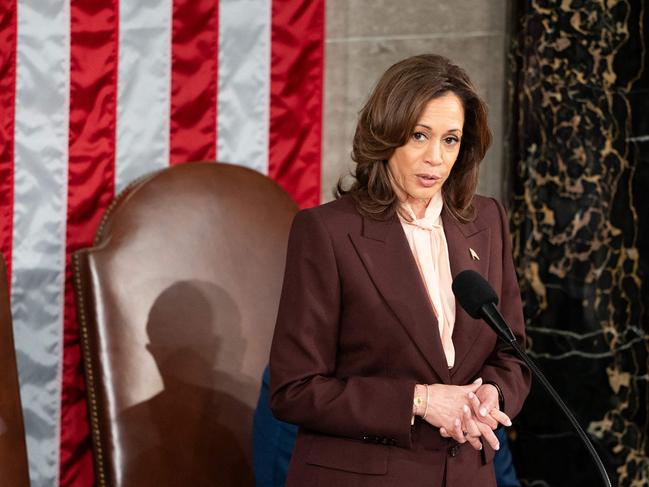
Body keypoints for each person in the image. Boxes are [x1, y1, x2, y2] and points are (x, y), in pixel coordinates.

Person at [269, 53, 531, 486]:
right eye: (419, 136)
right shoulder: (328, 232)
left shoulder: (486, 221)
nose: (435, 158)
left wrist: (492, 394)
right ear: (386, 135)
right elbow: (293, 389)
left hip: (466, 475)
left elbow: (513, 352)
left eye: (450, 140)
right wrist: (419, 401)